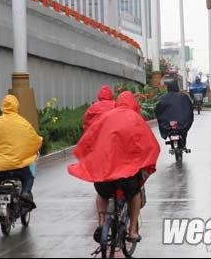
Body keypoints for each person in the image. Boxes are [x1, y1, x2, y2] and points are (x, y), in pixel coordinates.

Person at [68, 91, 159, 243]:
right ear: (134, 105)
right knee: (134, 194)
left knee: (102, 194)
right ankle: (132, 232)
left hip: (105, 173)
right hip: (127, 174)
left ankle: (102, 222)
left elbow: (90, 138)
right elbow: (149, 145)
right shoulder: (135, 119)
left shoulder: (105, 118)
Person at [0, 95, 42, 203]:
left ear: (3, 106)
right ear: (16, 106)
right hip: (19, 165)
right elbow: (33, 138)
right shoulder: (22, 122)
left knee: (0, 177)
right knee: (29, 177)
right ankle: (26, 192)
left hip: (3, 166)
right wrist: (38, 142)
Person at [156, 79, 194, 148]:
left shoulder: (162, 98)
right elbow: (190, 109)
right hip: (182, 123)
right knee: (184, 132)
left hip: (167, 124)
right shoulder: (184, 96)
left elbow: (158, 111)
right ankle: (183, 144)